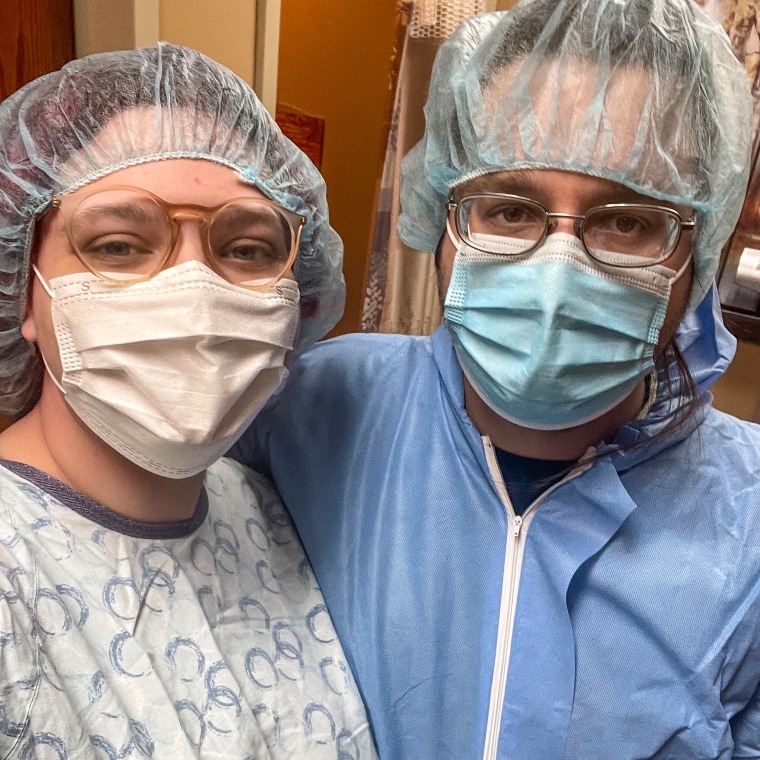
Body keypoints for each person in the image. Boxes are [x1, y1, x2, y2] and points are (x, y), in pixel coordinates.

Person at [233, 1, 760, 758]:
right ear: (441, 220)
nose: (558, 271)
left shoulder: (748, 526)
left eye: (626, 221)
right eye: (510, 210)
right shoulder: (311, 412)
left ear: (698, 251)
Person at [0, 44, 377, 759]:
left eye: (248, 249)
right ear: (23, 286)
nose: (195, 292)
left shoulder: (268, 513)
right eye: (116, 245)